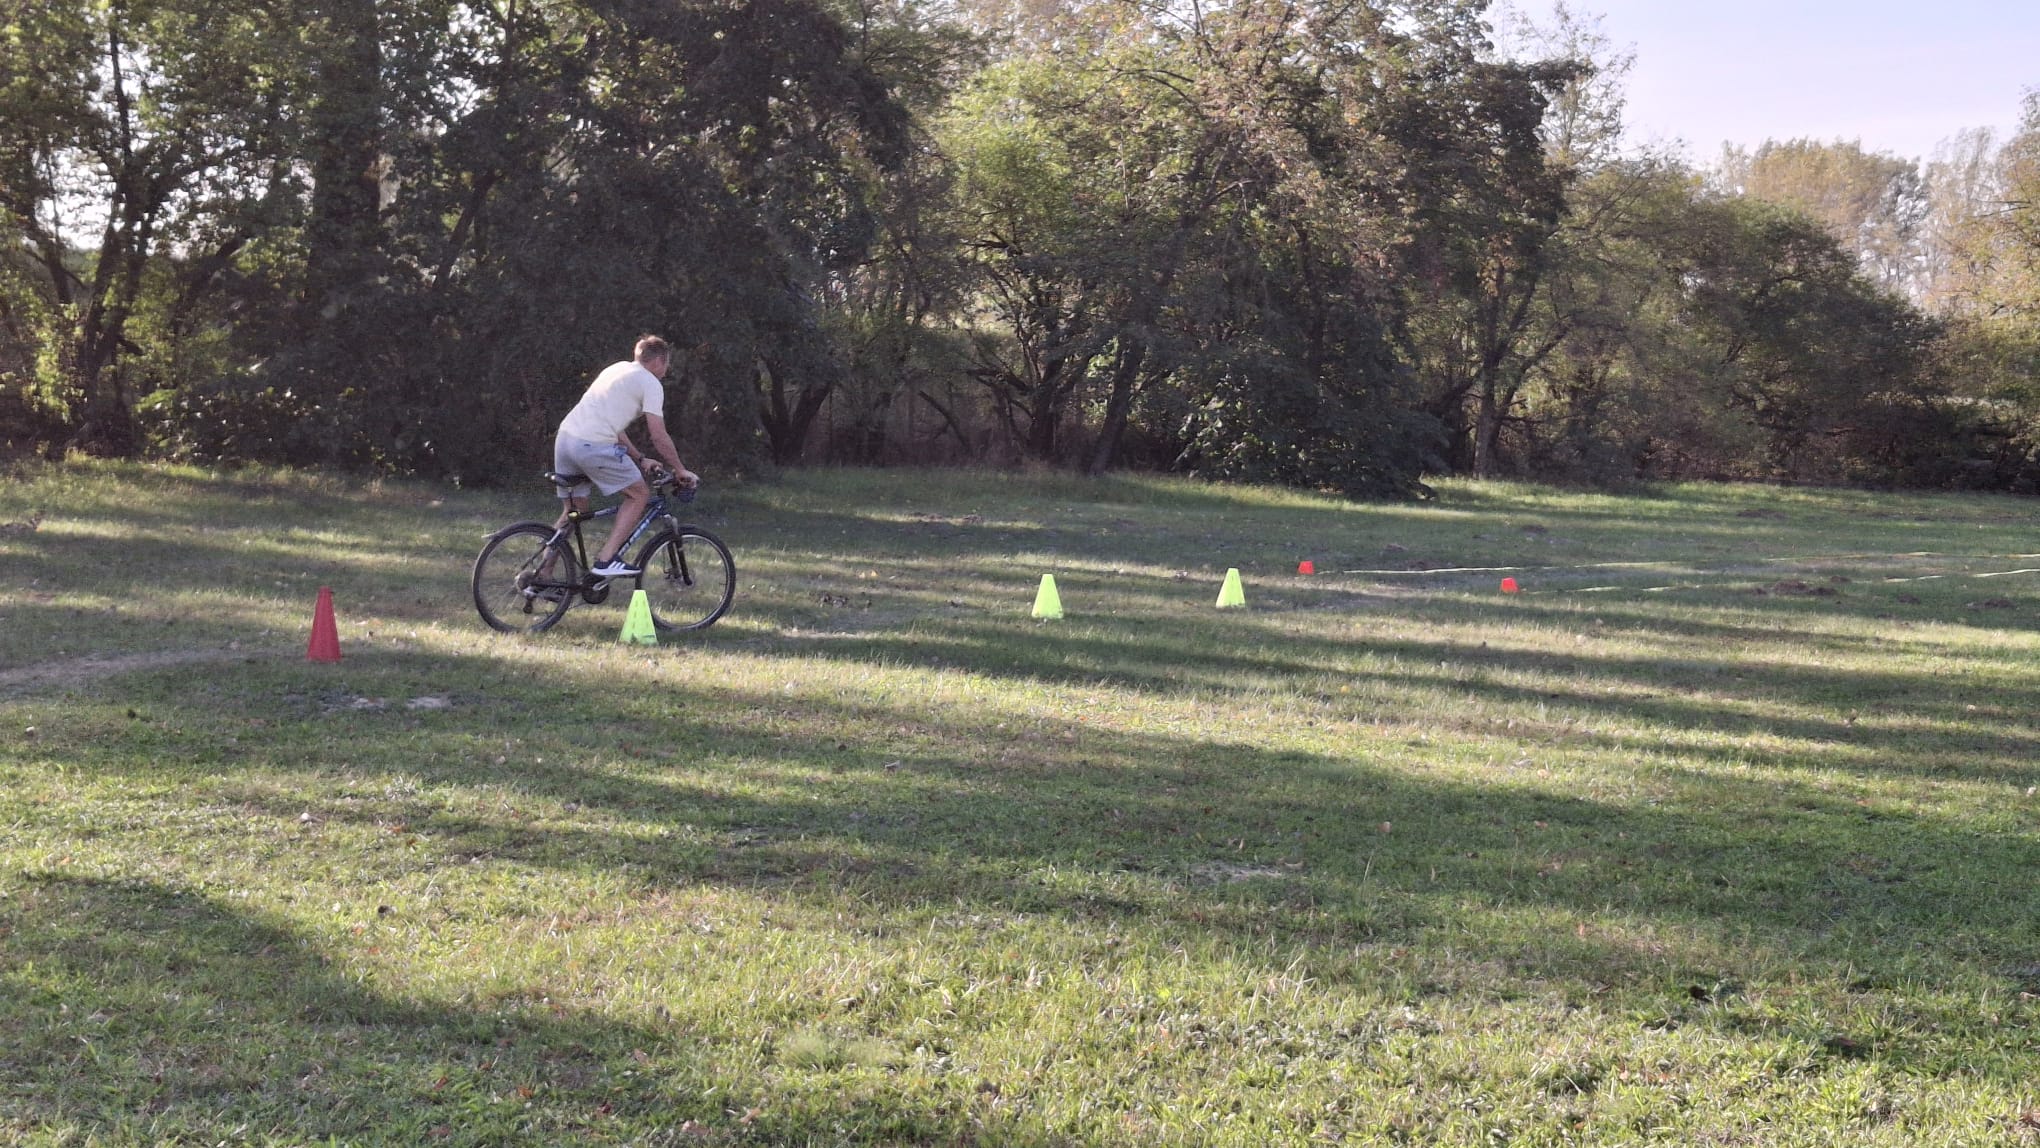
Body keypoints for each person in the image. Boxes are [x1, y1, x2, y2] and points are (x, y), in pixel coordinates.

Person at [552, 334, 699, 578]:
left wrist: (640, 458)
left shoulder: (616, 369)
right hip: (592, 444)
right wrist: (680, 469)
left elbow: (613, 427)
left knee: (575, 510)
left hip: (566, 440)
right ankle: (606, 560)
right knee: (639, 494)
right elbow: (658, 435)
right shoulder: (651, 383)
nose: (666, 370)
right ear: (659, 361)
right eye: (667, 364)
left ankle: (540, 576)